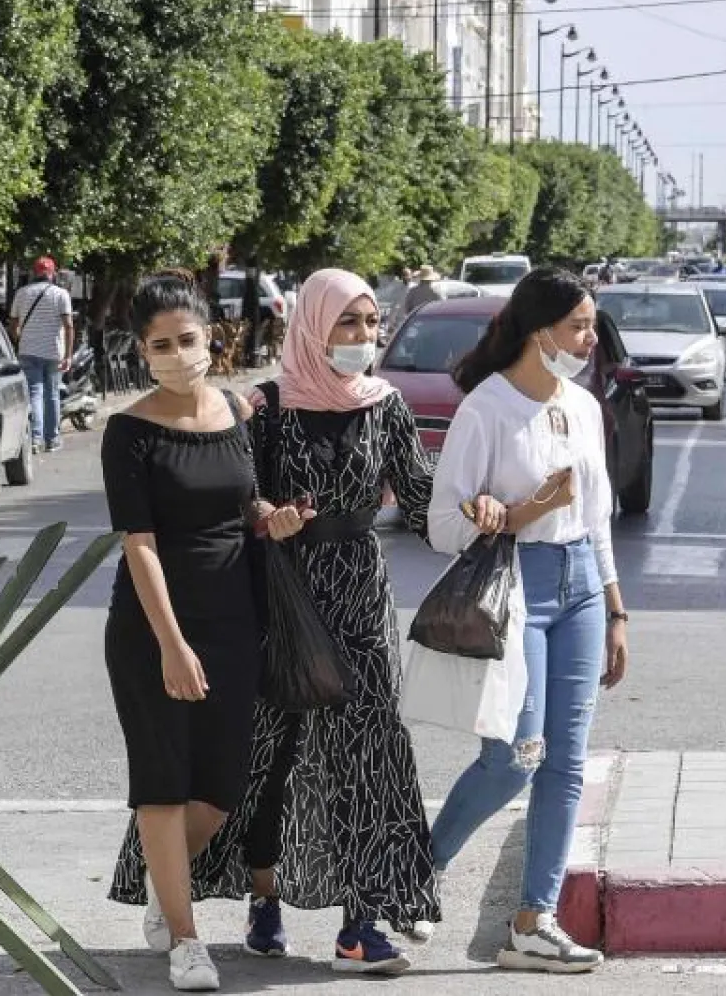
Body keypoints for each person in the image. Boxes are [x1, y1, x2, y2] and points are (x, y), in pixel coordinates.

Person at [109, 268, 458, 974]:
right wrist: (275, 521)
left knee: (369, 758)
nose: (361, 337)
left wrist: (487, 514)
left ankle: (363, 923)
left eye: (369, 323)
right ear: (311, 326)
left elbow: (421, 501)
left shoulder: (384, 405)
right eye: (346, 323)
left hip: (359, 600)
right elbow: (240, 502)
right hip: (278, 600)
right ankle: (254, 901)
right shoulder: (264, 408)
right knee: (266, 760)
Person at [424, 266, 631, 973]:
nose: (588, 338)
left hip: (577, 587)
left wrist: (614, 606)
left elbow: (599, 517)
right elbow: (441, 527)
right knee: (518, 757)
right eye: (578, 326)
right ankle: (422, 867)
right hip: (517, 587)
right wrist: (501, 514)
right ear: (539, 330)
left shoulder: (582, 403)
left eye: (590, 325)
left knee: (566, 763)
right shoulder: (487, 409)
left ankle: (533, 921)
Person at [100, 275, 262, 991]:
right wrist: (171, 643)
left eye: (186, 340)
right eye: (159, 345)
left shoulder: (234, 411)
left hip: (235, 621)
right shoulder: (129, 431)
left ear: (212, 339)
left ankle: (162, 882)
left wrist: (271, 518)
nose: (174, 354)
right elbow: (140, 543)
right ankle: (186, 938)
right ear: (142, 351)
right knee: (162, 780)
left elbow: (241, 506)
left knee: (221, 789)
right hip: (151, 627)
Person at [10, 256, 75, 453]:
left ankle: (36, 439)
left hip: (28, 351)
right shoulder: (61, 294)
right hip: (53, 352)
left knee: (35, 394)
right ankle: (52, 438)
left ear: (34, 273)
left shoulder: (22, 293)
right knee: (52, 394)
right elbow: (69, 325)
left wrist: (20, 339)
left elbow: (14, 325)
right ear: (52, 273)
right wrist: (68, 355)